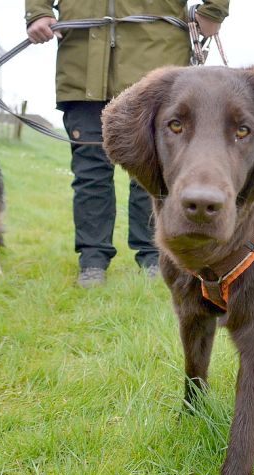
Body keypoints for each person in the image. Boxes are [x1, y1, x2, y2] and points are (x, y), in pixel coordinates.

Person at [25, 0, 230, 288]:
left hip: (157, 62)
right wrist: (39, 12)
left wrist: (212, 11)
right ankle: (92, 260)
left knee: (153, 171)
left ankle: (154, 257)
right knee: (89, 172)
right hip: (82, 63)